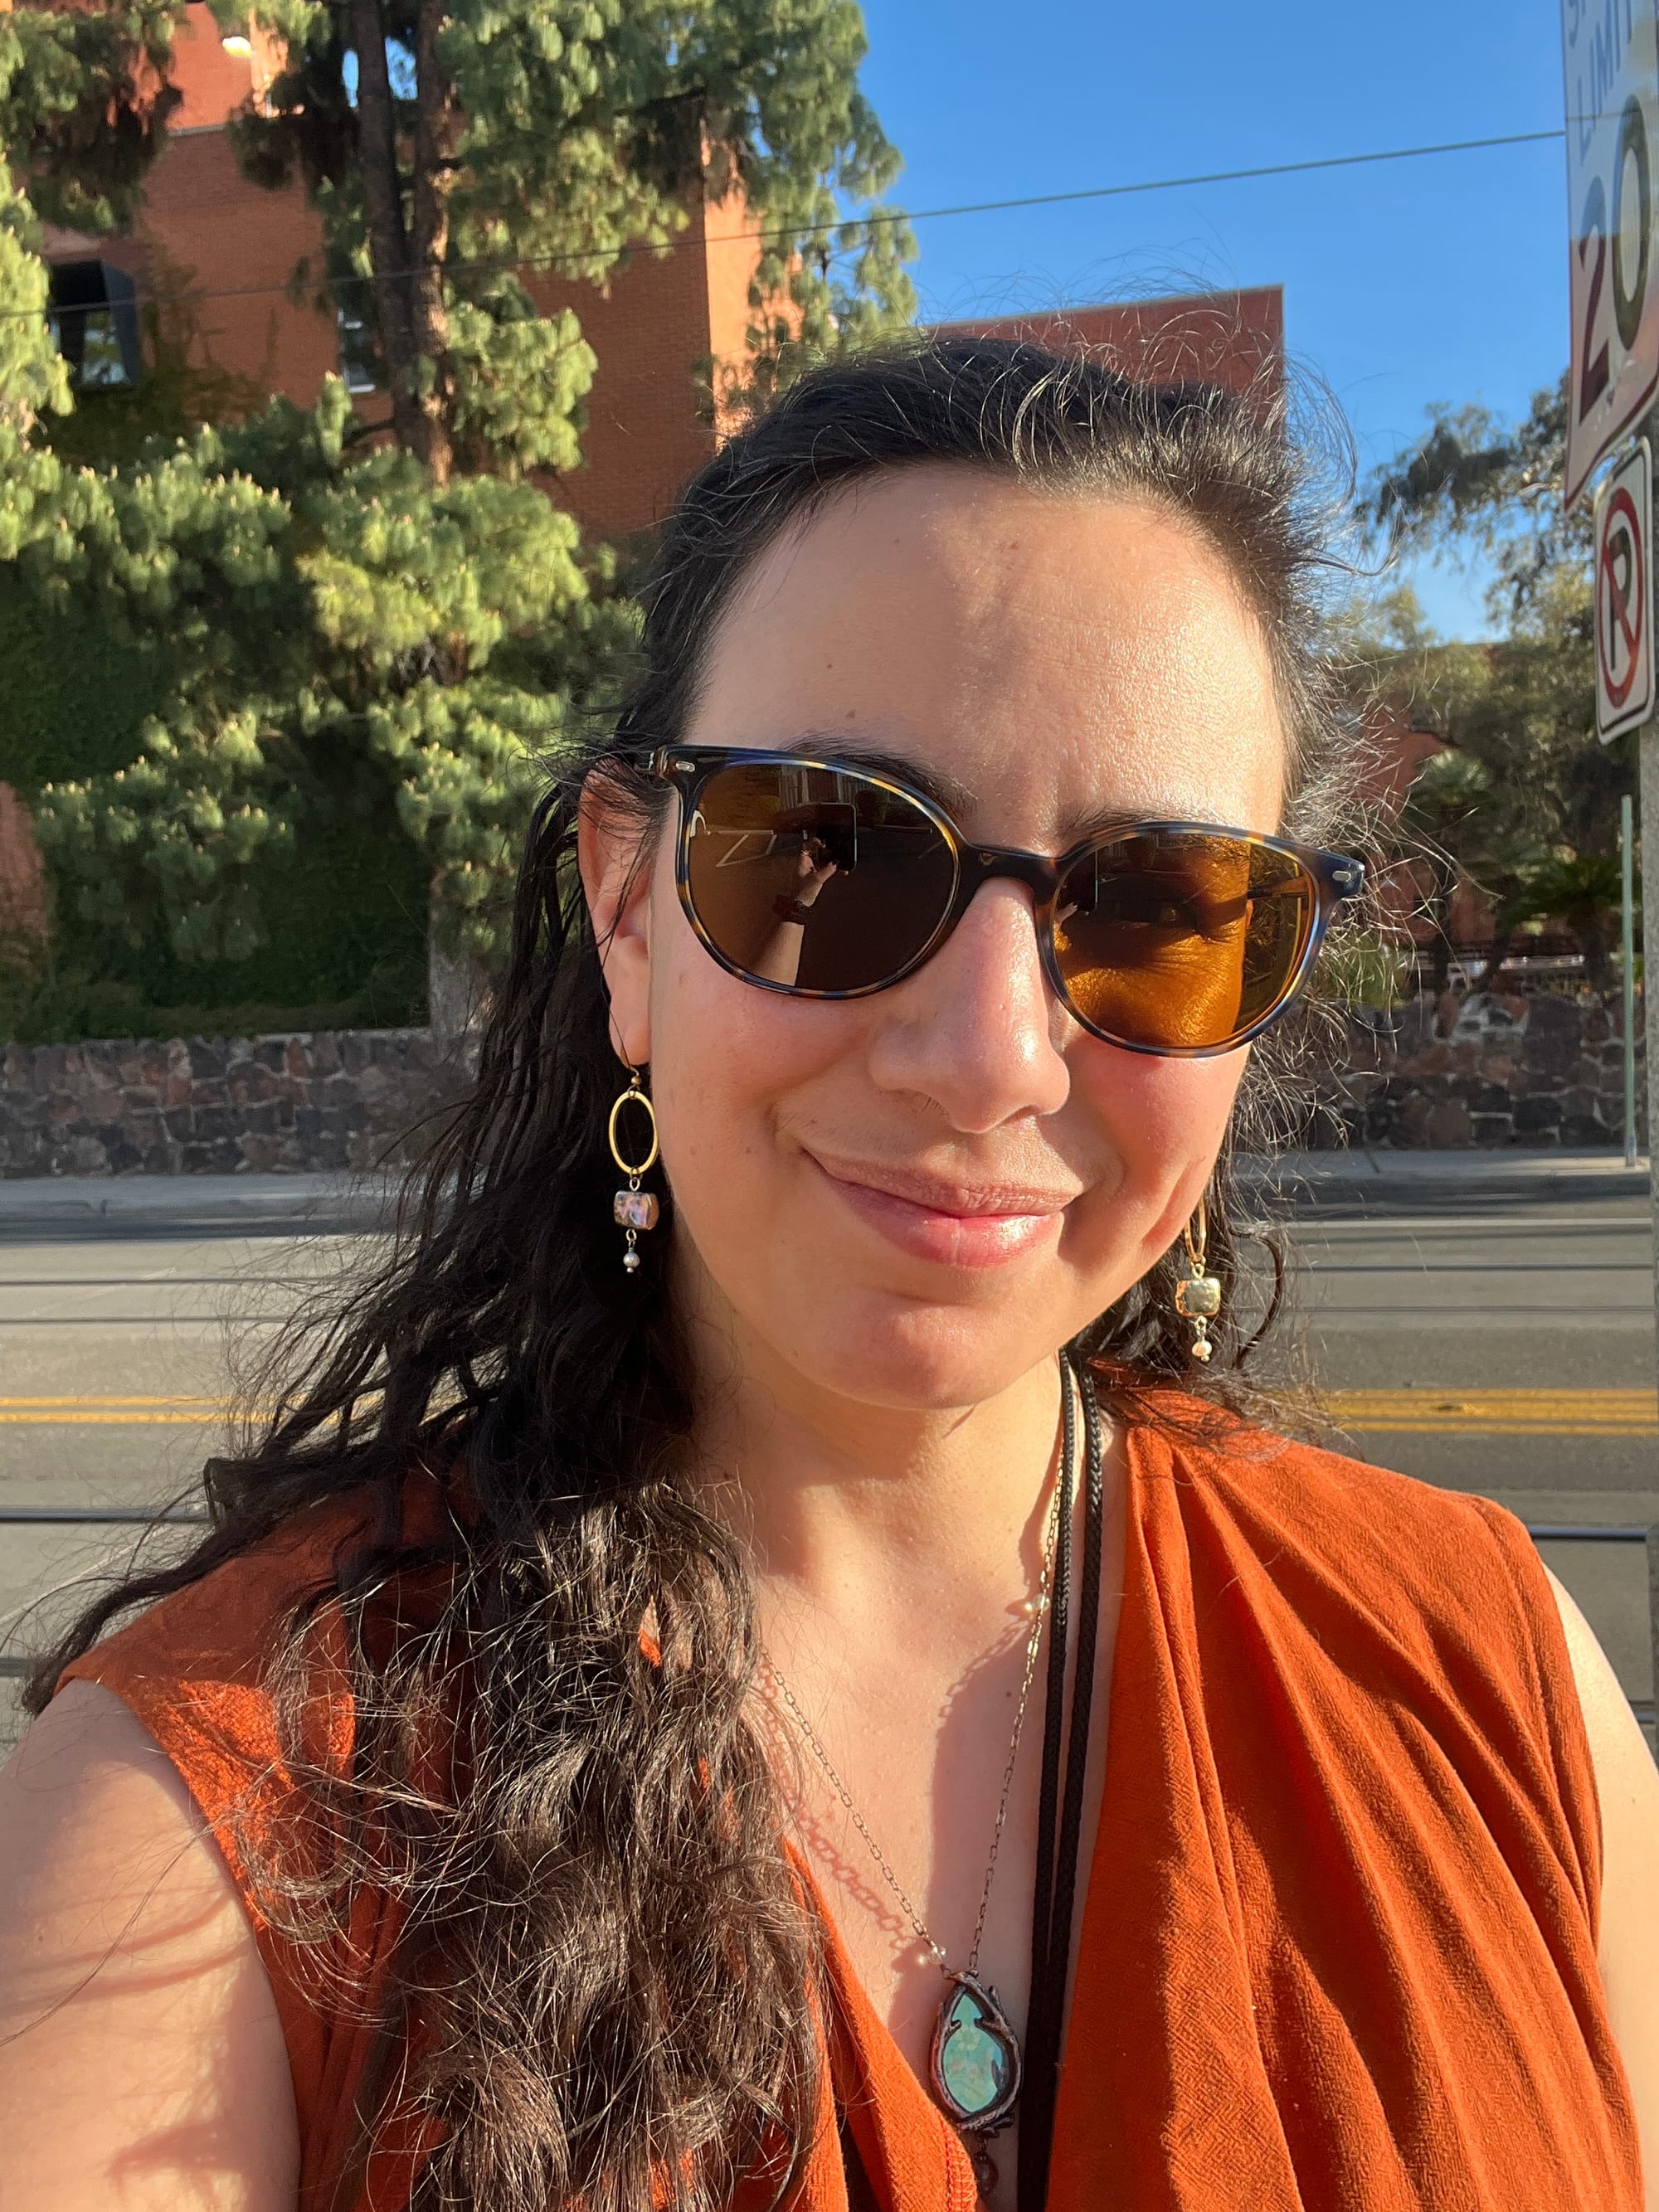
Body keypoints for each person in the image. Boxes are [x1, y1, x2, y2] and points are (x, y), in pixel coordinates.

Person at [1, 339, 1655, 2212]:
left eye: (1161, 908)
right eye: (829, 851)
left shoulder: (1494, 1684)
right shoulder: (217, 1831)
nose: (987, 1053)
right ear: (630, 911)